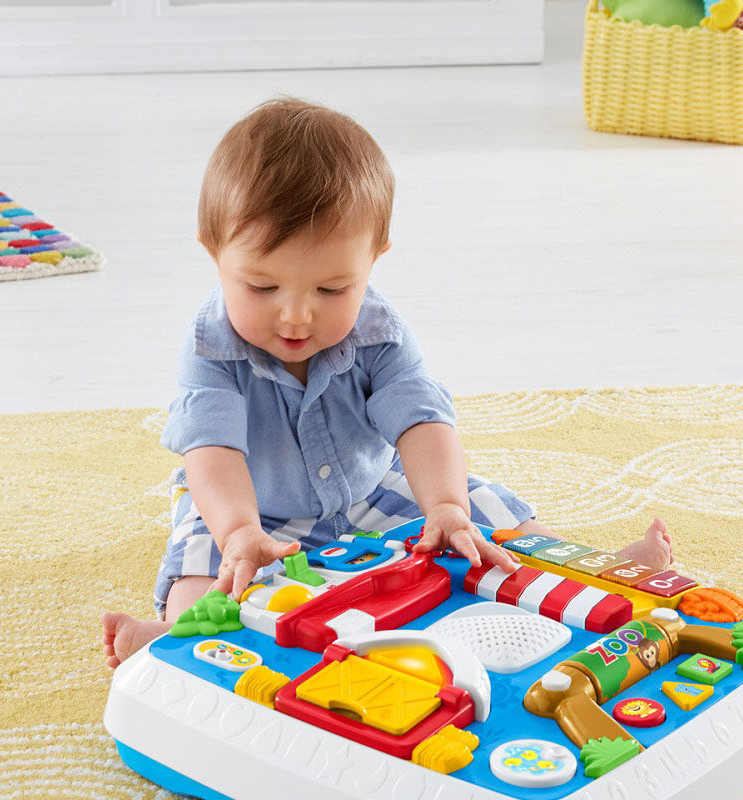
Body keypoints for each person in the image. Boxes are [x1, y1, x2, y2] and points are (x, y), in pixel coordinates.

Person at [101, 97, 671, 668]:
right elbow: (213, 451)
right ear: (213, 253)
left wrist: (445, 505)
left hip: (371, 488)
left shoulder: (380, 331)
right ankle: (174, 640)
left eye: (331, 290)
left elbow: (422, 422)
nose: (296, 315)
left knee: (485, 515)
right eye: (262, 288)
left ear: (374, 259)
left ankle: (588, 577)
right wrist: (238, 530)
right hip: (252, 508)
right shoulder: (209, 346)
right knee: (207, 568)